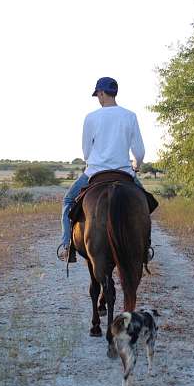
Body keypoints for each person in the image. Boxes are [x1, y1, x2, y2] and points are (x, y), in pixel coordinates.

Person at [57, 76, 145, 262]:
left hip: (95, 172)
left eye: (98, 94)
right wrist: (136, 165)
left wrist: (95, 161)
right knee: (145, 203)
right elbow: (139, 150)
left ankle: (67, 246)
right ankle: (145, 247)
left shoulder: (91, 118)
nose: (98, 97)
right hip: (124, 172)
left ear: (103, 93)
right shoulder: (130, 116)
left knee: (68, 201)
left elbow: (86, 151)